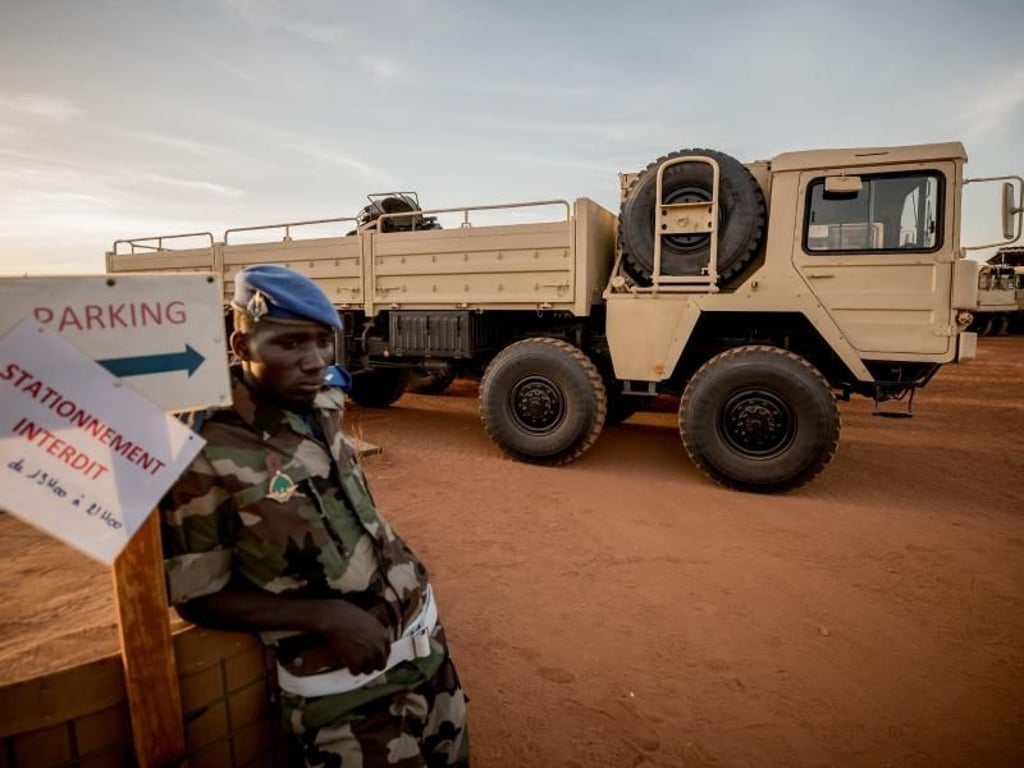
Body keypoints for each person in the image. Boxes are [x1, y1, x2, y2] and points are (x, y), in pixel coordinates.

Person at [160, 264, 469, 767]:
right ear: (242, 347)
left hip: (430, 659)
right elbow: (197, 596)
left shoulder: (324, 399)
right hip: (350, 702)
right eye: (290, 344)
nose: (315, 361)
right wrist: (323, 616)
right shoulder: (202, 449)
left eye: (323, 342)